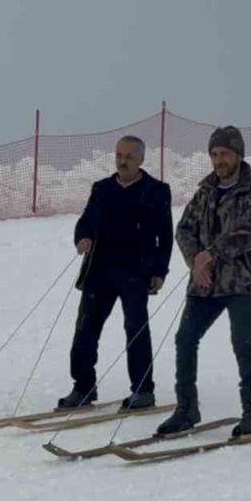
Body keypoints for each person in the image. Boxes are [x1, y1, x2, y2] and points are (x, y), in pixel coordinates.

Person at [156, 126, 251, 438]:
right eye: (214, 154)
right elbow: (184, 229)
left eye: (225, 153)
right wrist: (197, 260)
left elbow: (249, 233)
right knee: (185, 339)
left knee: (243, 343)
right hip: (205, 283)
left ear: (238, 154)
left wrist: (211, 254)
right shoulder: (205, 191)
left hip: (243, 283)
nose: (219, 160)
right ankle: (186, 409)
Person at [57, 135, 173, 410]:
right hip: (99, 271)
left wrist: (160, 271)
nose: (123, 161)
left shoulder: (156, 190)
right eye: (119, 155)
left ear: (142, 160)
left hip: (136, 271)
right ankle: (83, 388)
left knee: (135, 330)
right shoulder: (102, 189)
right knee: (85, 329)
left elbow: (165, 236)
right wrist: (82, 238)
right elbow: (85, 222)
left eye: (129, 157)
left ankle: (143, 391)